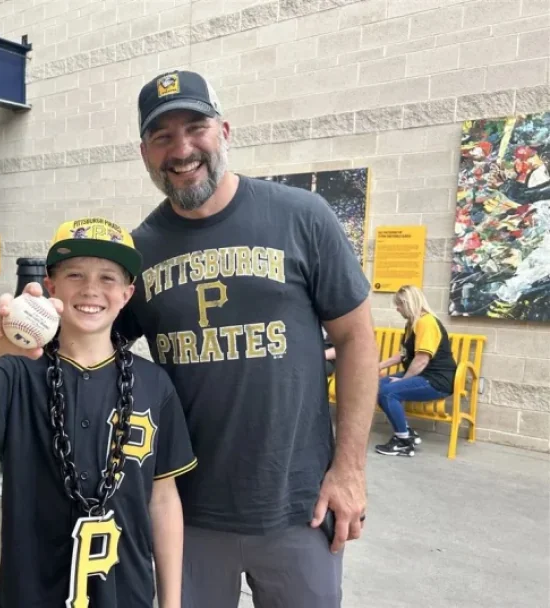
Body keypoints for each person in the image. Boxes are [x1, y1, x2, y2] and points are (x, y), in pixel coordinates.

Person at [113, 69, 379, 607]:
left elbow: (355, 338)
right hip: (184, 508)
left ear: (225, 131)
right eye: (163, 136)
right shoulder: (136, 252)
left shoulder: (301, 217)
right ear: (144, 152)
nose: (181, 149)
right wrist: (44, 308)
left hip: (299, 504)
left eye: (196, 127)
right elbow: (92, 349)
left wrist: (349, 471)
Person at [0, 218, 197, 608]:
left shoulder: (154, 384)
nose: (91, 289)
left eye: (108, 278)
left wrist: (172, 602)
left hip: (125, 592)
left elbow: (163, 500)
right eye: (75, 274)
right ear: (52, 288)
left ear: (128, 293)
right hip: (30, 591)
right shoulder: (15, 372)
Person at [375, 285, 457, 457]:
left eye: (399, 304)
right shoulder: (412, 324)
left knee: (388, 393)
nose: (396, 308)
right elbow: (404, 354)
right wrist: (380, 366)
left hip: (436, 380)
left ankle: (403, 442)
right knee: (377, 387)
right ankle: (406, 432)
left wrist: (403, 380)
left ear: (408, 303)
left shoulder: (426, 323)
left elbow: (421, 360)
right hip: (422, 375)